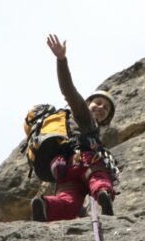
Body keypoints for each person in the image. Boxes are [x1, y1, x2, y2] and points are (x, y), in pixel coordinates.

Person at [31, 34, 117, 222]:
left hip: (62, 167)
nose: (101, 108)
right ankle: (103, 193)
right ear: (87, 103)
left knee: (68, 202)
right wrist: (61, 60)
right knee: (99, 176)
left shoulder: (72, 125)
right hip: (85, 160)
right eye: (98, 103)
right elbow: (68, 90)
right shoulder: (82, 113)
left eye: (106, 108)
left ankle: (47, 205)